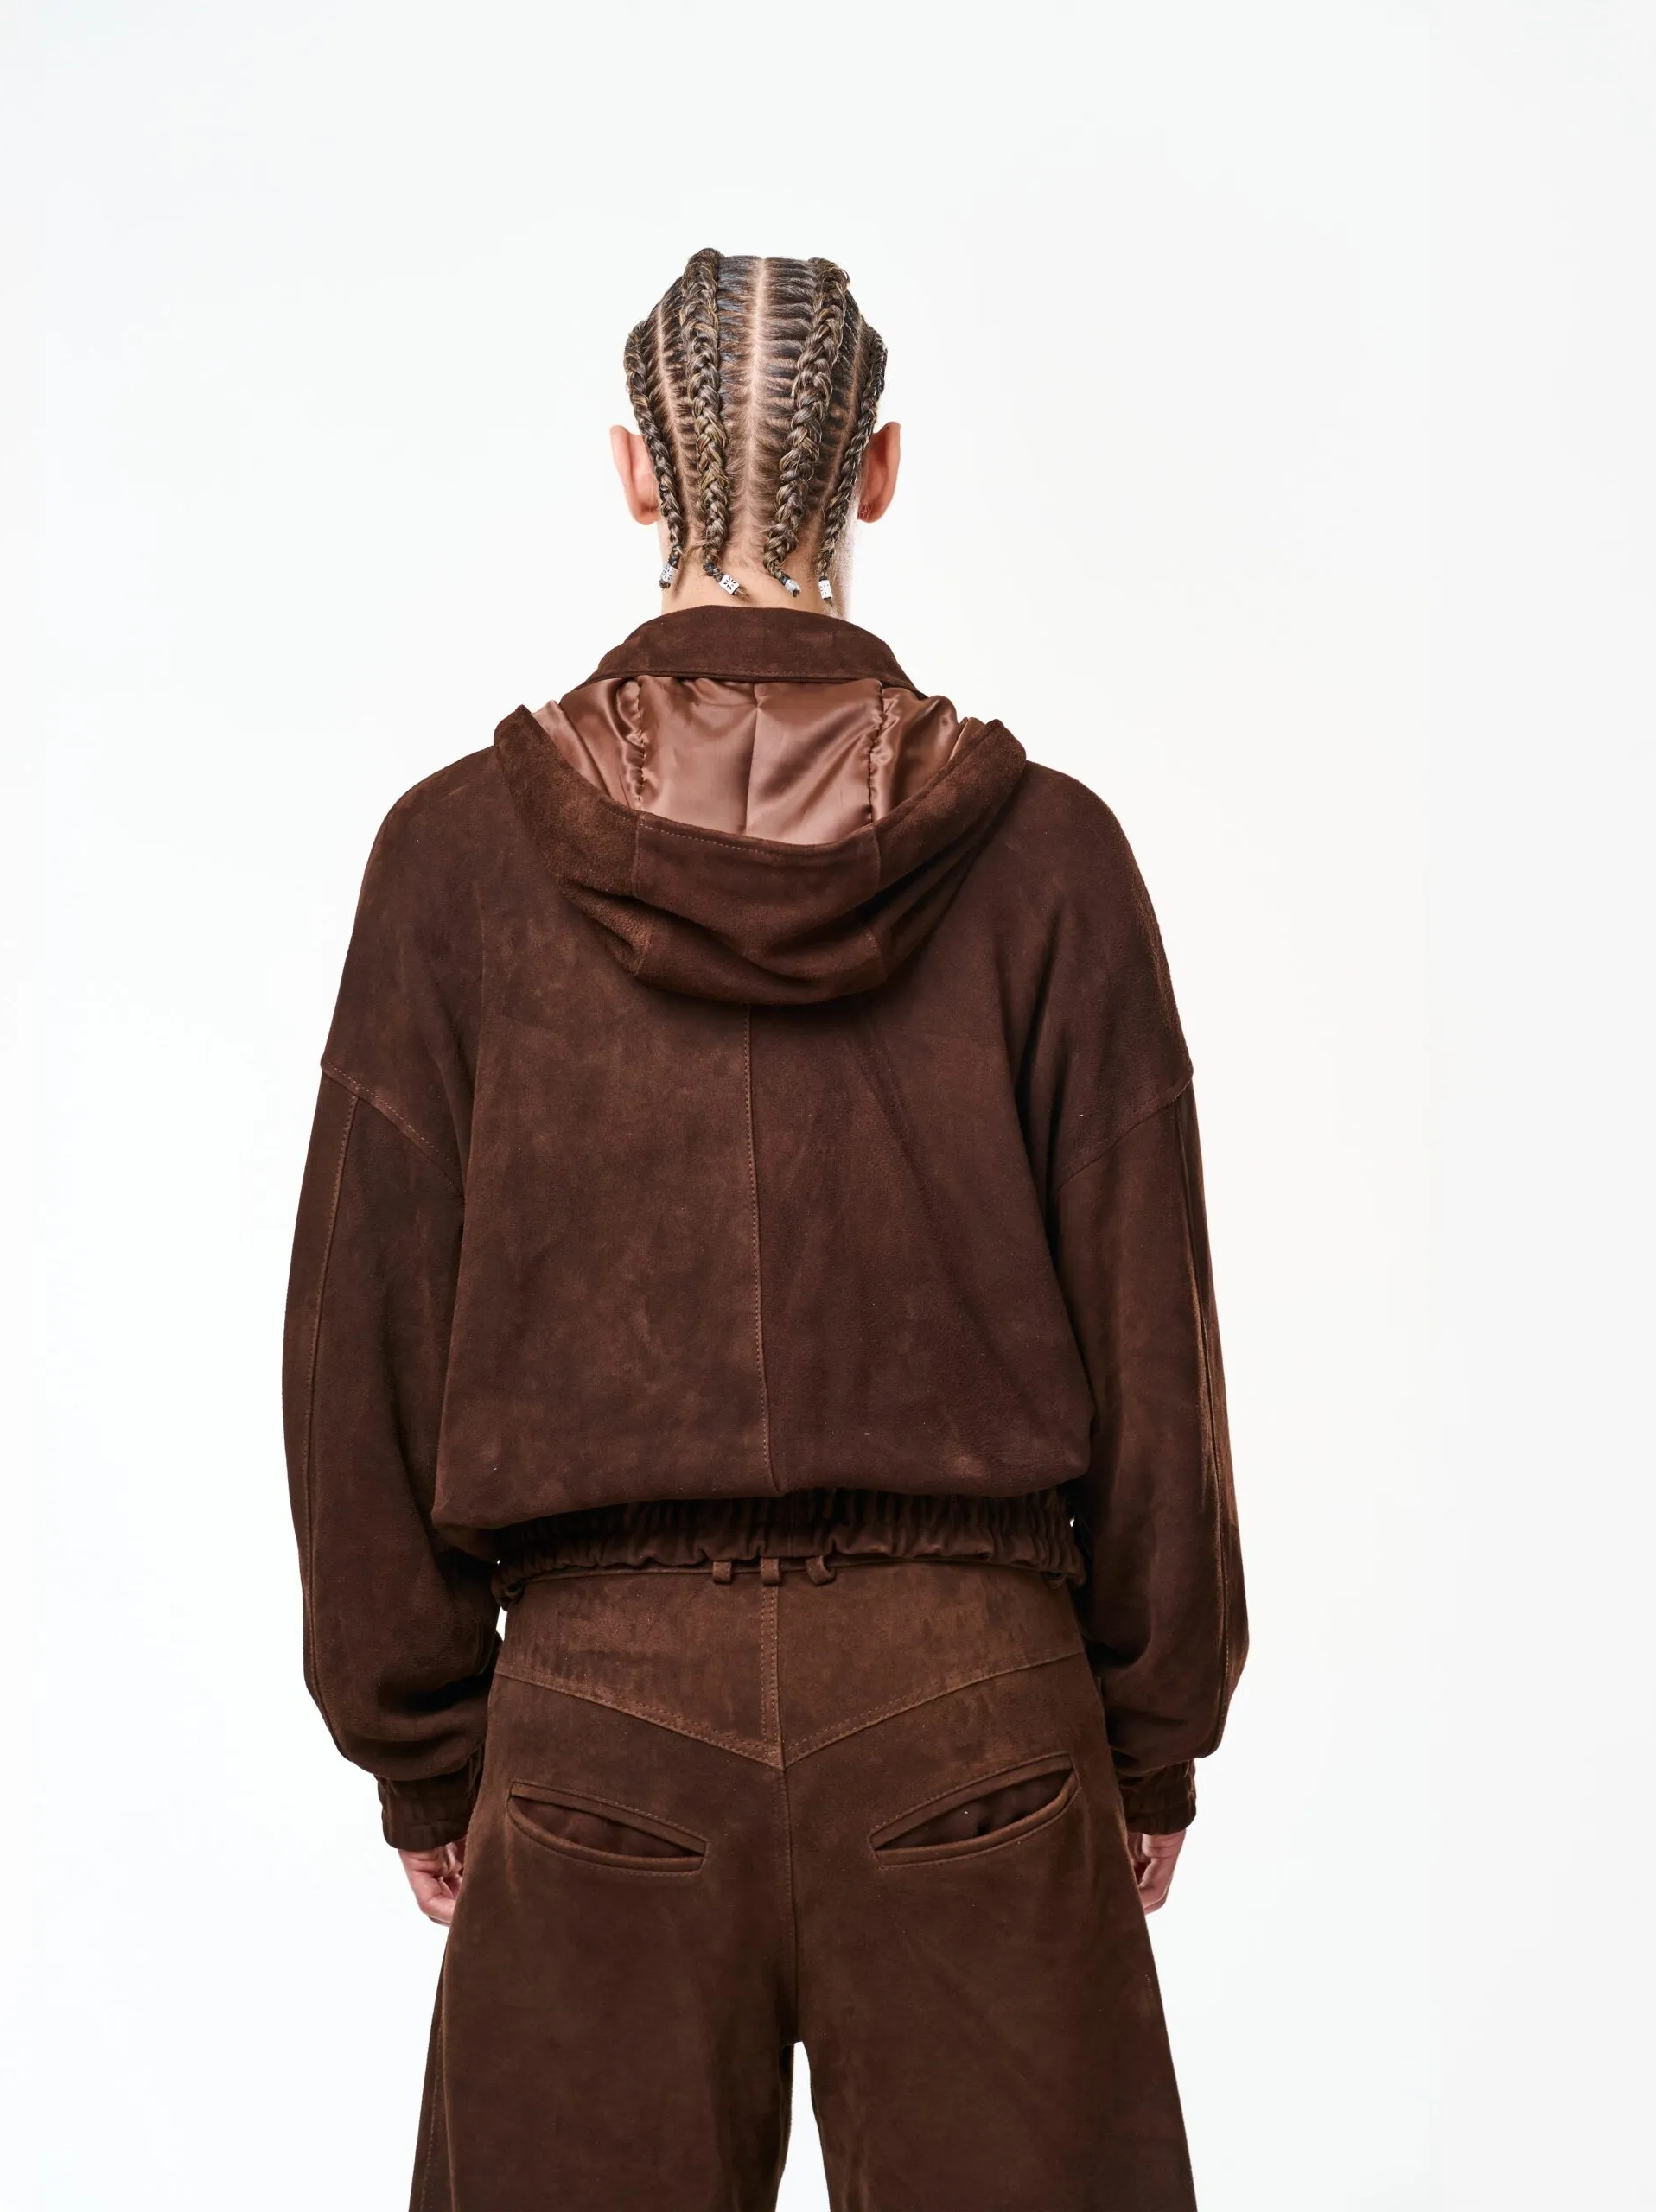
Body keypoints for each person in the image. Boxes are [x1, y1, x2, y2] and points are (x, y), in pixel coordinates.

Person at [282, 248, 1245, 2212]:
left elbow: (354, 1348)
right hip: (976, 1710)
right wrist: (1147, 1734)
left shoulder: (454, 863)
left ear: (636, 472)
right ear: (875, 470)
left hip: (595, 1729)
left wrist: (423, 1740)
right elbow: (1156, 1341)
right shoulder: (1050, 861)